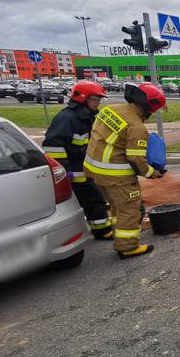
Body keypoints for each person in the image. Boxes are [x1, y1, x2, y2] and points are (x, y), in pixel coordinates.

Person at [84, 83, 166, 259]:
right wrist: (153, 173)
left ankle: (118, 233)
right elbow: (136, 160)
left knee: (117, 205)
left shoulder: (110, 109)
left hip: (94, 169)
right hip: (116, 175)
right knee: (129, 208)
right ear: (148, 107)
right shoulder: (136, 127)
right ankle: (128, 246)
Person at [42, 81, 112, 239]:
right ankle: (101, 231)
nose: (98, 102)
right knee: (93, 200)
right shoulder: (67, 118)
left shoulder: (87, 117)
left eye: (99, 99)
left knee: (92, 200)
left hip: (85, 168)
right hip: (74, 171)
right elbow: (53, 147)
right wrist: (66, 171)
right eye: (95, 99)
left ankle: (100, 228)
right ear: (83, 98)